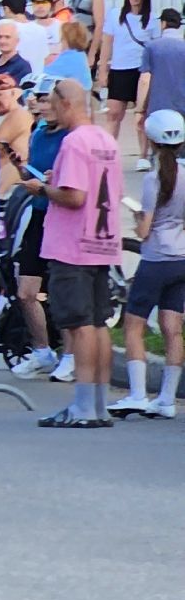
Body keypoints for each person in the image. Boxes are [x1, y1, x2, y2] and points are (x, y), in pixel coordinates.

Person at [32, 79, 121, 428]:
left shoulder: (73, 141)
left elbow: (74, 196)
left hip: (73, 244)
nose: (49, 108)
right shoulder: (105, 139)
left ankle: (82, 406)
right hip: (104, 238)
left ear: (68, 104)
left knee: (79, 325)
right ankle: (97, 403)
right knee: (98, 324)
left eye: (53, 102)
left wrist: (42, 188)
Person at [109, 110, 185, 419]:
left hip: (155, 259)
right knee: (172, 328)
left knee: (134, 323)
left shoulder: (154, 180)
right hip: (182, 258)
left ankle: (138, 394)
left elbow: (145, 231)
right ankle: (166, 399)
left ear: (151, 142)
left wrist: (137, 217)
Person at [100, 0, 156, 141]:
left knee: (142, 115)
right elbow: (107, 44)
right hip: (119, 70)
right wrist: (103, 70)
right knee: (113, 114)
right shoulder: (115, 15)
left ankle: (144, 156)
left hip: (141, 71)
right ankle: (108, 151)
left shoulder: (152, 19)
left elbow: (155, 48)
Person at [136, 18, 185, 172]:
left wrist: (140, 108)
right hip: (182, 107)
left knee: (159, 157)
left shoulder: (152, 47)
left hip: (158, 107)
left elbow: (145, 79)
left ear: (163, 24)